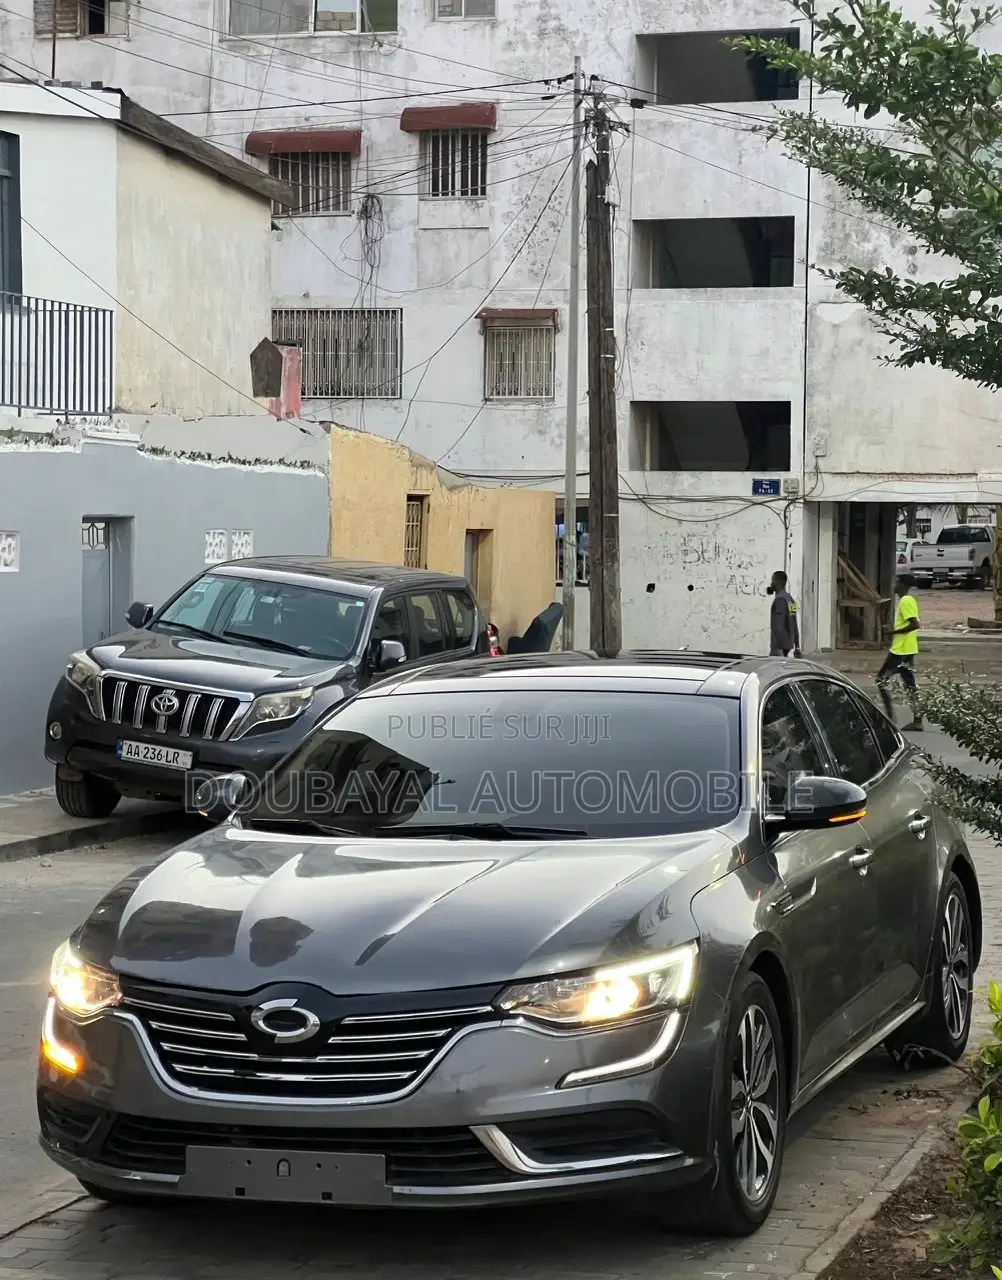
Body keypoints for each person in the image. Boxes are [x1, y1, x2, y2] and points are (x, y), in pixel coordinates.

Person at [876, 573, 922, 730]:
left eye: (897, 582)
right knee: (910, 684)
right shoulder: (908, 600)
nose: (894, 585)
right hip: (908, 649)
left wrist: (892, 632)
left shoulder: (906, 601)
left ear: (903, 585)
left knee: (881, 679)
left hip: (901, 650)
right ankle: (917, 720)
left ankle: (889, 718)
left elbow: (914, 625)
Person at [767, 570, 801, 657]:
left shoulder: (779, 600)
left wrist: (777, 649)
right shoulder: (791, 600)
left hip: (779, 647)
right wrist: (797, 646)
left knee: (774, 665)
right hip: (787, 645)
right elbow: (794, 623)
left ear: (778, 582)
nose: (771, 583)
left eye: (773, 580)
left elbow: (779, 625)